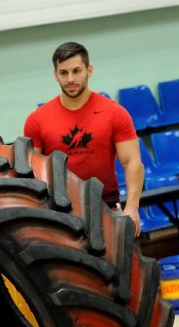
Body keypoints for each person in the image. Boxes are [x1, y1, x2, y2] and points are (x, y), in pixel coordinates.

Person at [23, 41, 144, 235]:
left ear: (89, 70)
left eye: (76, 71)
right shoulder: (37, 120)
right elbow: (31, 172)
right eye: (63, 73)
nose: (70, 79)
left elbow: (132, 163)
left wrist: (132, 207)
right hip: (59, 214)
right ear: (55, 75)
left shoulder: (115, 113)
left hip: (107, 207)